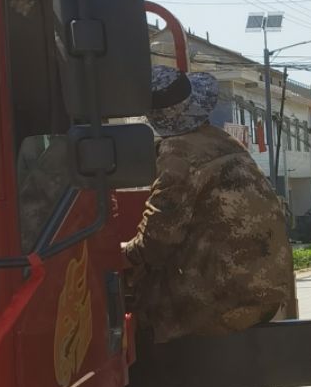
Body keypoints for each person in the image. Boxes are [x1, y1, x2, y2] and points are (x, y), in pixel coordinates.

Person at [123, 67, 297, 348]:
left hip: (222, 300)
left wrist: (116, 255)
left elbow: (157, 240)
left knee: (133, 318)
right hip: (267, 289)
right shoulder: (223, 142)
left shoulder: (178, 155)